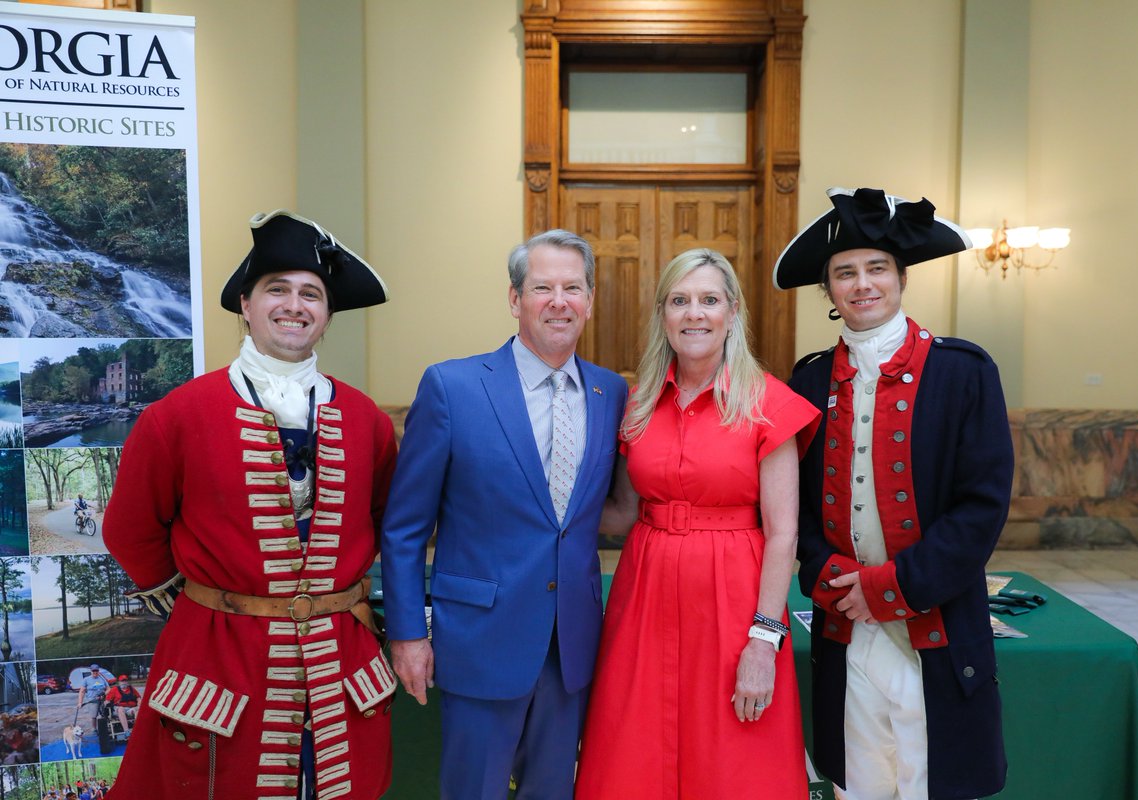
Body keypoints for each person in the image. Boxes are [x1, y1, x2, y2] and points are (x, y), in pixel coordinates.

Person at [103, 210, 398, 800]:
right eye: (277, 290)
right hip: (223, 661)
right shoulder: (177, 416)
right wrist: (204, 606)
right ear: (246, 303)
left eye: (311, 294)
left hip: (340, 661)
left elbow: (387, 521)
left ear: (328, 314)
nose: (295, 305)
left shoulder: (367, 420)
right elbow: (130, 530)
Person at [774, 186, 1013, 800]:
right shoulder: (806, 379)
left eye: (877, 268)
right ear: (828, 292)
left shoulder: (964, 372)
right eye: (844, 273)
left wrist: (892, 588)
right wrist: (828, 575)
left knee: (933, 780)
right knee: (859, 781)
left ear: (901, 277)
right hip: (845, 625)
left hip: (933, 621)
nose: (863, 284)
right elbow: (789, 505)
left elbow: (981, 506)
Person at [381, 229, 627, 799]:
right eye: (543, 287)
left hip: (572, 645)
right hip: (480, 639)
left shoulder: (611, 394)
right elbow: (404, 529)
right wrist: (408, 635)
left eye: (572, 287)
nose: (558, 301)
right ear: (515, 299)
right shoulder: (452, 387)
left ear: (590, 300)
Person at [575, 248, 822, 799]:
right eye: (680, 301)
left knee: (732, 758)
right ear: (662, 314)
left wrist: (764, 641)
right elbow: (618, 510)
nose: (695, 314)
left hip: (734, 599)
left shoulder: (767, 402)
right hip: (644, 593)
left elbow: (784, 532)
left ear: (732, 312)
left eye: (709, 300)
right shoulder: (636, 403)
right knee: (632, 749)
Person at [76, 664, 107, 733]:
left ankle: (105, 728)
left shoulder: (102, 679)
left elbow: (108, 689)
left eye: (96, 670)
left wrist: (104, 694)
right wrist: (80, 702)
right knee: (94, 715)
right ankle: (94, 728)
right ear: (91, 671)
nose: (95, 672)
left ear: (98, 671)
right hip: (92, 700)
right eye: (93, 671)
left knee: (105, 713)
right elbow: (82, 692)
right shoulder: (86, 680)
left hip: (102, 699)